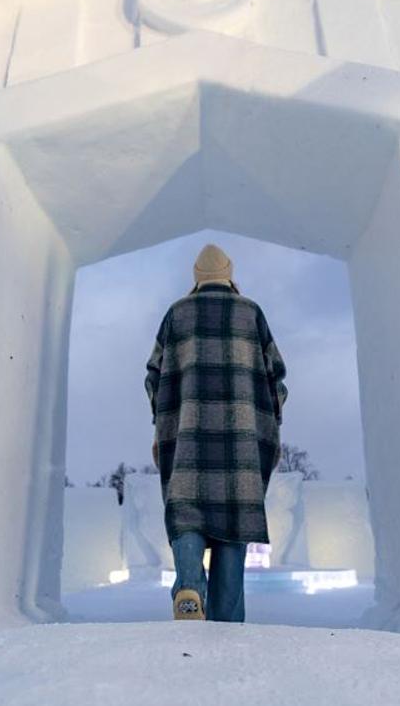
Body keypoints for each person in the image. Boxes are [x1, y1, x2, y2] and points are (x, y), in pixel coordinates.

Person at [144, 243, 287, 622]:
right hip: (241, 443)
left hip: (187, 437)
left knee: (187, 512)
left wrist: (163, 428)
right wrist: (268, 422)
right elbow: (276, 380)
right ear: (229, 274)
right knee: (233, 523)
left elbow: (154, 378)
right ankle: (226, 618)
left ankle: (190, 584)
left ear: (196, 277)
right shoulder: (251, 313)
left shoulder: (176, 314)